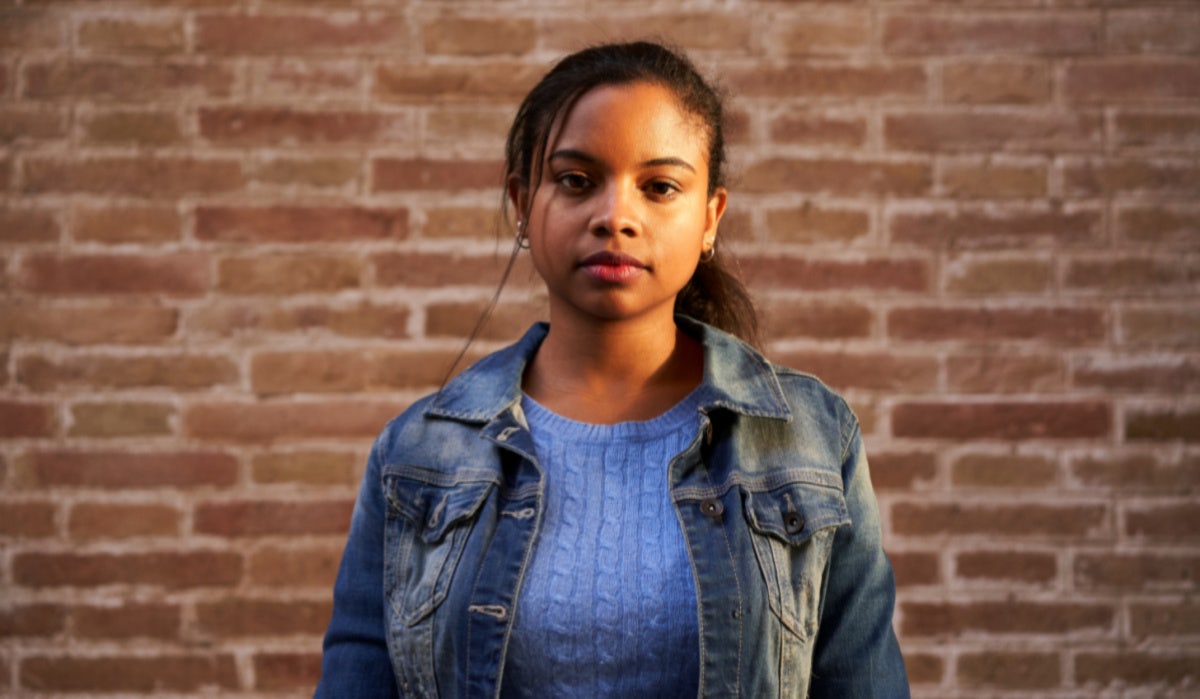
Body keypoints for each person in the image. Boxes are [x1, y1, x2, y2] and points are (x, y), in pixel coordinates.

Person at [315, 41, 909, 698]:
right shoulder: (419, 453)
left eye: (659, 187)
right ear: (521, 201)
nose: (615, 217)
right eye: (576, 180)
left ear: (710, 217)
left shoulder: (811, 439)